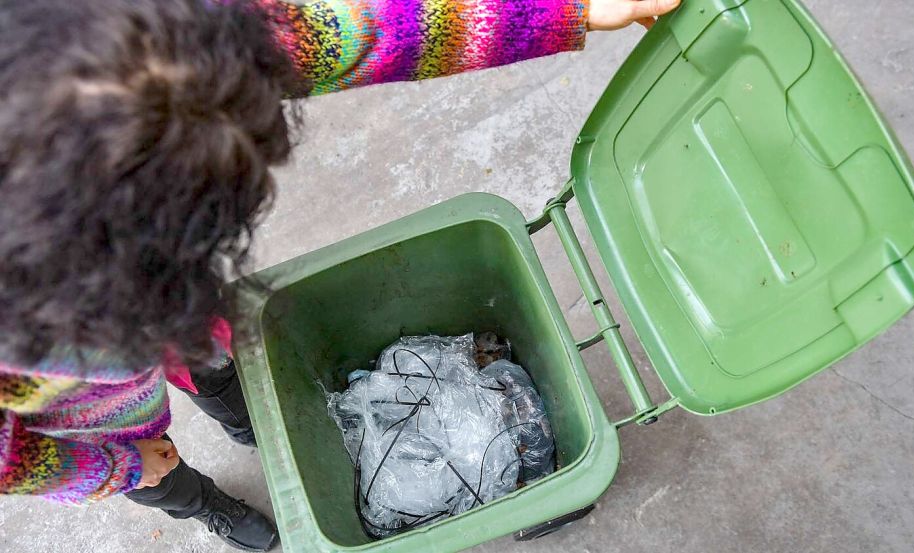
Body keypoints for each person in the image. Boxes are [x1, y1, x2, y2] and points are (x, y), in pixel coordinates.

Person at [0, 0, 681, 550]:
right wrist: (113, 468)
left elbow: (352, 33)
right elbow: (9, 461)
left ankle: (250, 423)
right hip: (90, 427)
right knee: (160, 470)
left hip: (169, 330)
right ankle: (199, 503)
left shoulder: (131, 60)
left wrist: (570, 10)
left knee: (215, 361)